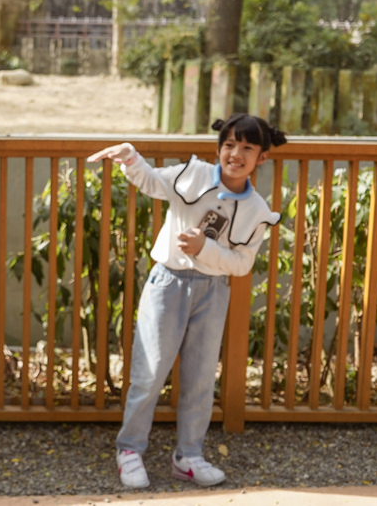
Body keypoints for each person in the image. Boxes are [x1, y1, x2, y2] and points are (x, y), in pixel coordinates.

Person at [88, 114, 287, 490]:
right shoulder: (192, 175)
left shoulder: (258, 211)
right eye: (229, 144)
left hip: (214, 292)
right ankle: (129, 450)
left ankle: (189, 455)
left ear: (261, 158)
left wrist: (205, 248)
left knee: (199, 378)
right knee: (149, 372)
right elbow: (151, 181)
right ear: (219, 148)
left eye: (247, 148)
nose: (235, 154)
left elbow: (241, 265)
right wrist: (131, 156)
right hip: (168, 283)